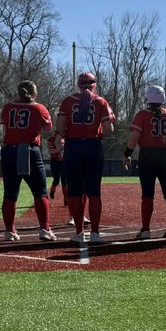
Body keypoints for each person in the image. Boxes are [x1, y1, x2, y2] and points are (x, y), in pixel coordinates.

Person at [57, 72, 117, 244]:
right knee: (94, 192)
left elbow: (60, 128)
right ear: (94, 85)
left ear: (79, 84)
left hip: (73, 147)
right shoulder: (100, 102)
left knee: (75, 192)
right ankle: (95, 233)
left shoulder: (68, 102)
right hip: (93, 146)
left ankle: (79, 232)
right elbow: (108, 129)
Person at [0, 80, 56, 242]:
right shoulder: (39, 108)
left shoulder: (8, 107)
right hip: (30, 150)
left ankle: (9, 231)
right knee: (40, 192)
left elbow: (6, 124)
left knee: (10, 193)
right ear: (34, 93)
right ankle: (44, 229)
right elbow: (48, 128)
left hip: (9, 151)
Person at [125, 84, 166, 240]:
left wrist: (127, 153)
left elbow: (134, 137)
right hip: (165, 156)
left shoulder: (142, 115)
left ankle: (146, 229)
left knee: (147, 194)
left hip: (147, 156)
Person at [46, 130, 66, 200]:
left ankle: (66, 199)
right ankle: (52, 190)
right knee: (56, 180)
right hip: (55, 162)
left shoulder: (65, 139)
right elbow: (50, 151)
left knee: (64, 181)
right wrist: (59, 149)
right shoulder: (51, 140)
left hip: (63, 162)